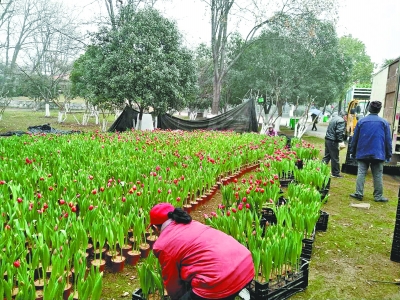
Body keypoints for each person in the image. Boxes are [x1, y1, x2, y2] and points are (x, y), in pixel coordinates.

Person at [149, 203, 254, 300]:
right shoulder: (192, 223)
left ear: (155, 228)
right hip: (245, 265)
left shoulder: (163, 244)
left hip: (219, 281)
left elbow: (173, 282)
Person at [349, 101, 392, 202]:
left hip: (363, 152)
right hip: (378, 153)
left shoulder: (361, 121)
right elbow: (388, 141)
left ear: (369, 109)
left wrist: (352, 151)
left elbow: (354, 139)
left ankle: (358, 193)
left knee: (361, 173)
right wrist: (388, 154)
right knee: (377, 175)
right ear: (379, 110)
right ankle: (378, 196)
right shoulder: (384, 122)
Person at [322, 111, 346, 178]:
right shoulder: (341, 120)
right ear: (344, 116)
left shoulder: (334, 118)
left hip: (327, 139)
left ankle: (320, 169)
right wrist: (340, 141)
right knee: (335, 157)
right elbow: (339, 132)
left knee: (327, 156)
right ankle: (335, 173)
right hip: (333, 141)